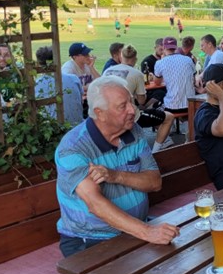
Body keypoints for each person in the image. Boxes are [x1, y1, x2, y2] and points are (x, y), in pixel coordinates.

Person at [55, 75, 177, 257]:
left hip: (135, 229)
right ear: (100, 113)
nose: (132, 109)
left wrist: (115, 176)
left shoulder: (133, 131)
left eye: (131, 102)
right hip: (92, 239)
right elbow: (96, 205)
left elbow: (154, 182)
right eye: (122, 106)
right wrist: (147, 232)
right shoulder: (73, 148)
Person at [101, 44, 166, 129]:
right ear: (135, 59)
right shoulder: (137, 74)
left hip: (107, 112)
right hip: (127, 115)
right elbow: (141, 101)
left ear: (121, 57)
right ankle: (160, 138)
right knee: (167, 117)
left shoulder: (107, 71)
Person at [151, 36, 197, 152]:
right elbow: (193, 78)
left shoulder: (160, 63)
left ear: (164, 47)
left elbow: (157, 82)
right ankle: (188, 136)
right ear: (176, 47)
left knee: (152, 110)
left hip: (172, 107)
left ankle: (162, 142)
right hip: (190, 104)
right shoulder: (188, 60)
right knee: (183, 109)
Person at [34, 46, 84, 125]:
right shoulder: (74, 78)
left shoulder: (36, 85)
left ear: (38, 64)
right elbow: (81, 101)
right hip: (78, 125)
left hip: (55, 128)